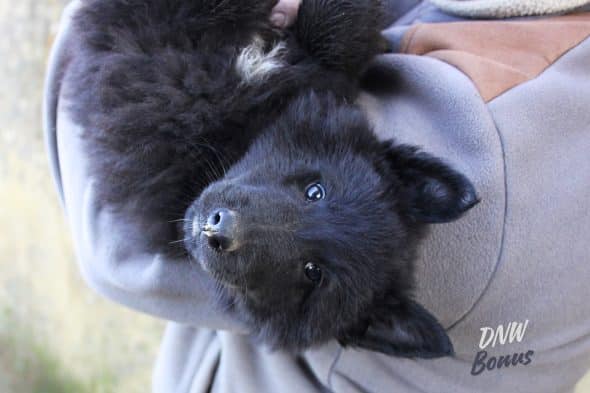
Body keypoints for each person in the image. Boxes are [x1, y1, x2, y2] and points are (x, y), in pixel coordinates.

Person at [44, 0, 590, 392]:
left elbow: (117, 248)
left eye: (313, 272)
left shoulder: (484, 160)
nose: (231, 231)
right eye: (313, 191)